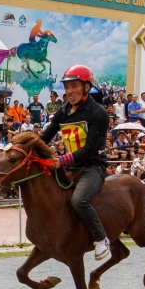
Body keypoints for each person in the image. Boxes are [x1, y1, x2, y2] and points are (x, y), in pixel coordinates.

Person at [39, 65, 113, 262]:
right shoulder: (63, 111)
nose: (69, 92)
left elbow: (89, 149)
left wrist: (60, 160)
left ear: (87, 87)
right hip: (69, 166)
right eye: (67, 87)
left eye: (74, 86)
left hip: (92, 167)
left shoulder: (99, 114)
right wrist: (25, 145)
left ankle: (101, 238)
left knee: (78, 200)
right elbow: (45, 136)